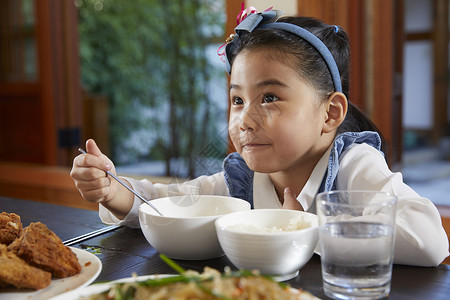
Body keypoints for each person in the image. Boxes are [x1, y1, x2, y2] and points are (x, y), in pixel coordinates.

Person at [70, 9, 449, 266]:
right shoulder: (244, 178)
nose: (244, 120)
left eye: (269, 98)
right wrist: (112, 190)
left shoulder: (353, 165)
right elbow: (172, 204)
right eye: (237, 99)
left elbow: (428, 240)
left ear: (330, 112)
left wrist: (308, 229)